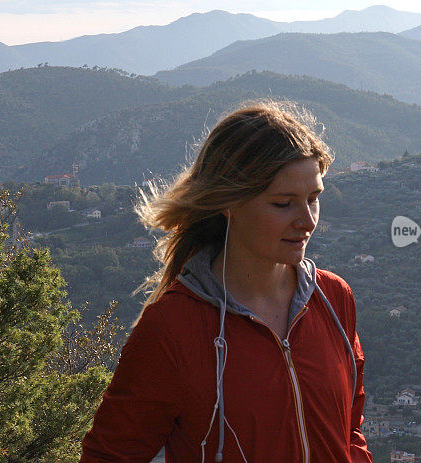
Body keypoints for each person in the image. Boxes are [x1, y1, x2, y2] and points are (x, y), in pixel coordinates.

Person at [80, 100, 372, 462]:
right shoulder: (173, 328)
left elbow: (350, 431)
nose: (307, 221)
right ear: (228, 201)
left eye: (313, 199)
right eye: (283, 204)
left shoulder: (334, 298)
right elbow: (111, 456)